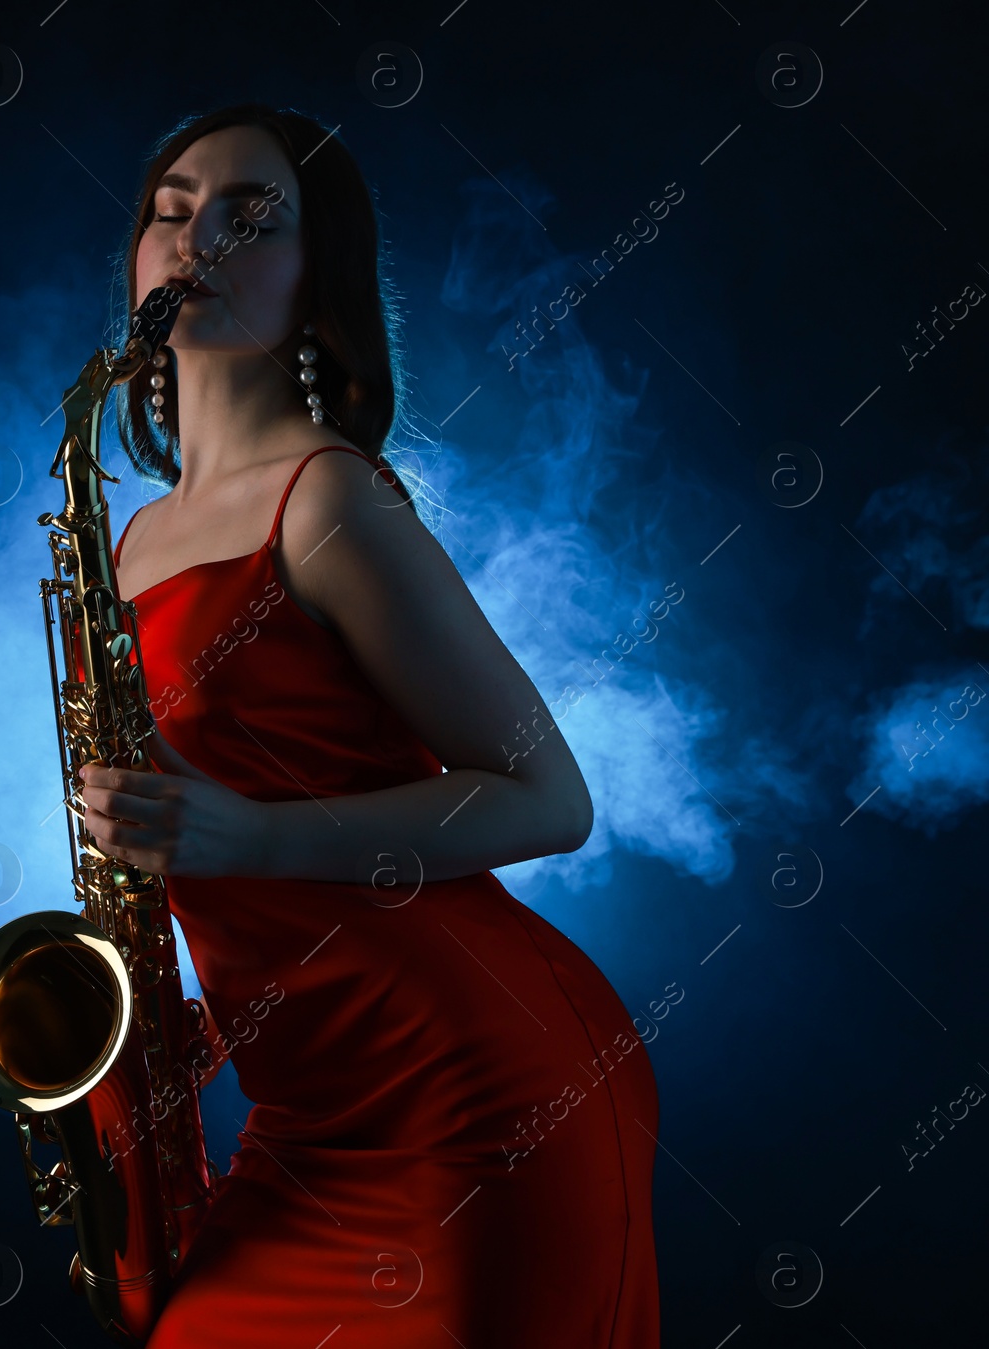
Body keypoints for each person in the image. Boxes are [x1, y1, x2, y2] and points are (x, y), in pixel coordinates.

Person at [76, 104, 660, 1348]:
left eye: (250, 216)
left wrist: (246, 835)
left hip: (475, 1094)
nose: (197, 241)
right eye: (170, 212)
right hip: (307, 1113)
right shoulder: (118, 547)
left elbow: (548, 799)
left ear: (315, 274)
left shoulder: (326, 495)